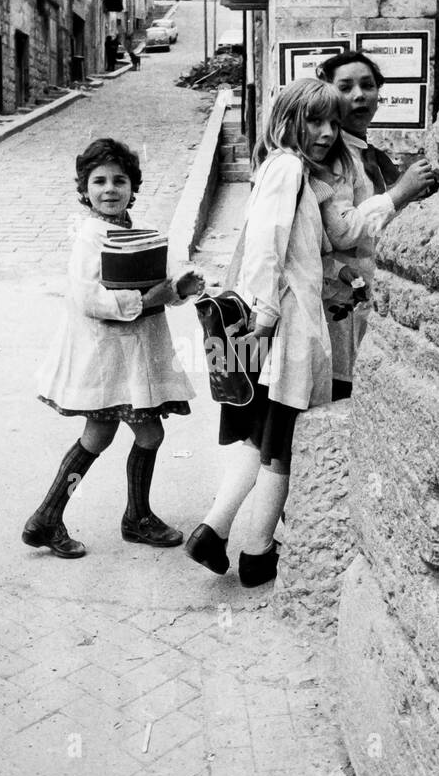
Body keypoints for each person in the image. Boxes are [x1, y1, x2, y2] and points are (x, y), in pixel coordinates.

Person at [185, 79, 340, 588]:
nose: (326, 132)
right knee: (281, 441)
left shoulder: (284, 167)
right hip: (284, 325)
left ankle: (217, 532)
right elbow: (265, 244)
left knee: (264, 434)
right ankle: (256, 553)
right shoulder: (288, 166)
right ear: (288, 118)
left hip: (281, 321)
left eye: (332, 123)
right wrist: (268, 314)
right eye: (315, 120)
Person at [24, 137, 204, 558]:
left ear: (133, 187)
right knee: (145, 432)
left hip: (127, 359)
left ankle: (49, 517)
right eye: (98, 181)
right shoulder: (91, 236)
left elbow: (163, 279)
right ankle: (132, 518)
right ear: (84, 189)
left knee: (99, 435)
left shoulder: (133, 231)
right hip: (108, 357)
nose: (109, 189)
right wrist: (145, 301)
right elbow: (86, 299)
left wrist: (180, 287)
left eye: (119, 180)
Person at [317, 50, 438, 398]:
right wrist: (400, 193)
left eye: (367, 86)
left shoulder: (364, 153)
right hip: (338, 297)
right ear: (327, 94)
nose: (359, 95)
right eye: (346, 87)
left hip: (363, 292)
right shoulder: (333, 156)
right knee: (342, 387)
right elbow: (342, 231)